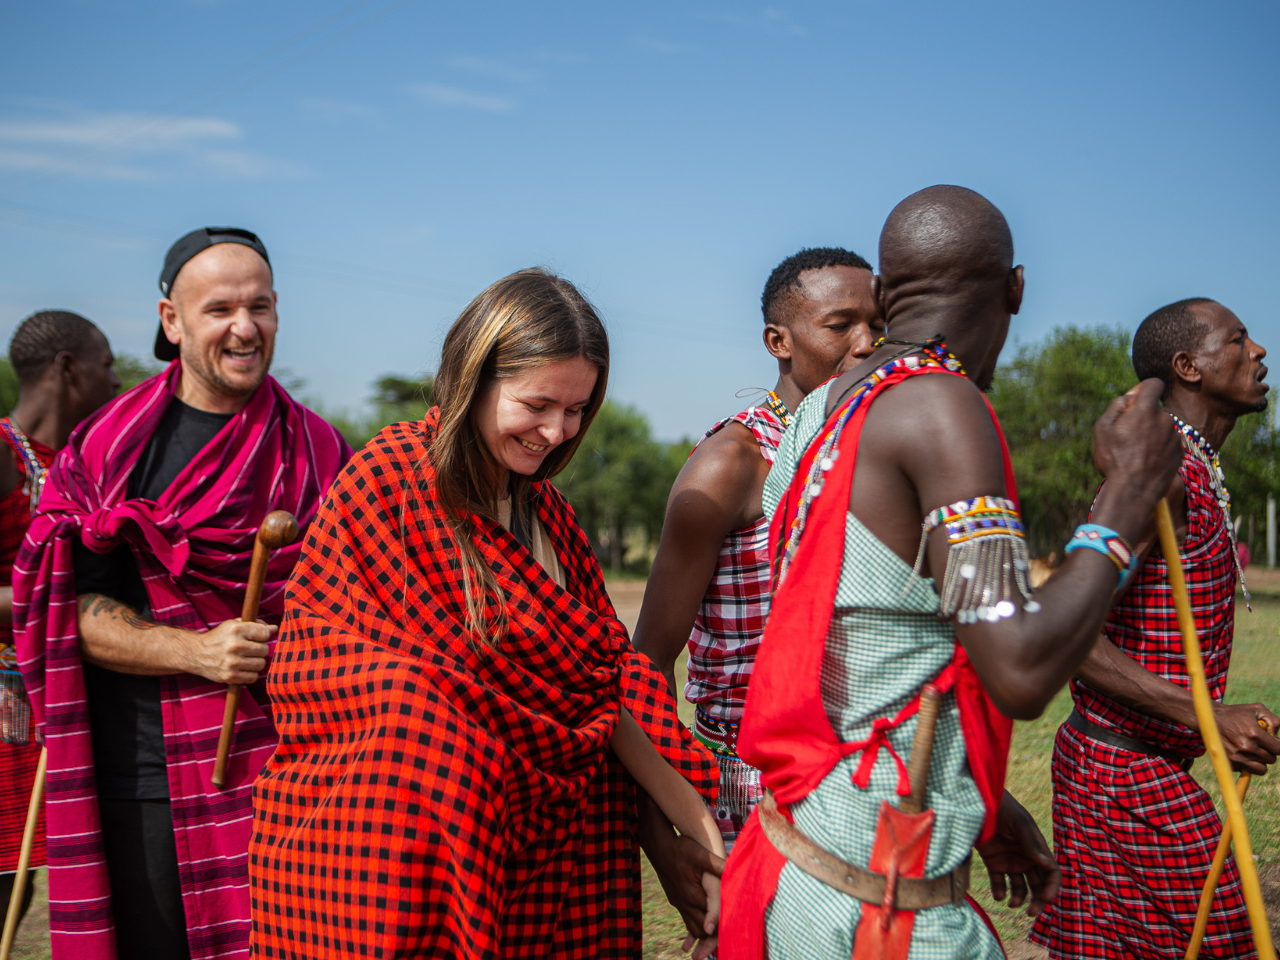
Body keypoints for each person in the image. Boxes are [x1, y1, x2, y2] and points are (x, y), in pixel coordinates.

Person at [720, 185, 1185, 960]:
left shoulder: (822, 407)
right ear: (1016, 289)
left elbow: (872, 641)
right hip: (875, 908)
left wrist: (976, 794)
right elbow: (1021, 667)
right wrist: (1127, 499)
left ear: (885, 292)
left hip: (800, 866)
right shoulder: (942, 406)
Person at [248, 268, 721, 960]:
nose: (556, 432)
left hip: (547, 855)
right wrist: (456, 742)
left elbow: (602, 692)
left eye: (578, 410)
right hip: (395, 858)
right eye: (537, 404)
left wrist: (709, 841)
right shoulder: (390, 482)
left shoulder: (552, 519)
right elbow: (340, 675)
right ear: (475, 379)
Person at [14, 227, 350, 960]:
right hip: (143, 781)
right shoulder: (106, 447)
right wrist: (197, 651)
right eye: (219, 308)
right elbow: (59, 611)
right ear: (172, 320)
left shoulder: (321, 452)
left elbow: (360, 611)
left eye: (260, 306)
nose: (243, 327)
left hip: (296, 773)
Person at [631, 247, 879, 934]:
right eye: (840, 325)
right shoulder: (732, 466)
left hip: (861, 782)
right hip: (754, 789)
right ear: (779, 341)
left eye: (877, 326)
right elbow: (646, 662)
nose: (865, 344)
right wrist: (662, 839)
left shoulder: (868, 452)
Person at [1030, 298, 1280, 959]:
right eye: (1239, 340)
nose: (1259, 353)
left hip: (1136, 766)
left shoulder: (1192, 471)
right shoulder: (1160, 478)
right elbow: (1069, 632)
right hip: (1122, 771)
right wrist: (1206, 714)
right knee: (1225, 938)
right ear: (1188, 366)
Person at [0, 310, 119, 929]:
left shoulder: (81, 465)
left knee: (18, 896)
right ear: (68, 369)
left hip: (46, 706)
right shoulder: (2, 454)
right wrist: (53, 601)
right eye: (107, 365)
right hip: (4, 706)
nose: (116, 381)